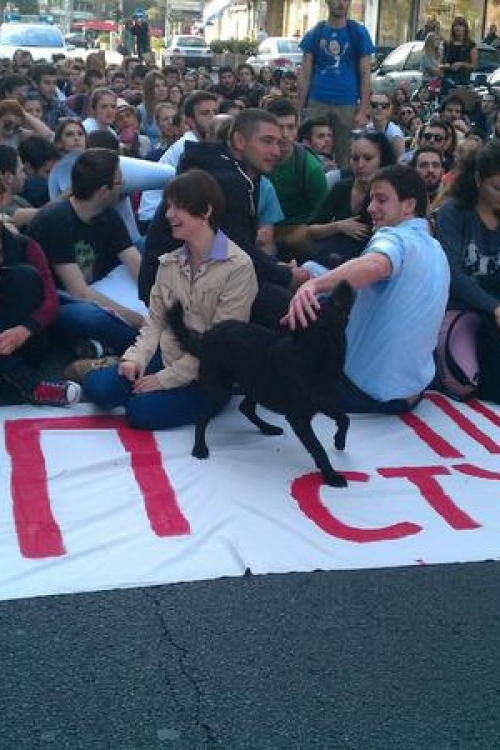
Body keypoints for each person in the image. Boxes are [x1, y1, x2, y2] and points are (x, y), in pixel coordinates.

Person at [83, 170, 258, 430]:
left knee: (139, 412)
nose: (168, 214)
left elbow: (219, 345)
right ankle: (120, 371)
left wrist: (164, 380)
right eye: (168, 206)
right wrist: (135, 359)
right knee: (97, 387)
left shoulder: (239, 267)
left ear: (206, 211)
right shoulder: (170, 263)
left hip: (209, 373)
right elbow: (155, 322)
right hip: (166, 356)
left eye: (178, 207)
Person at [286, 164, 450, 413]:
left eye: (381, 200)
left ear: (408, 206)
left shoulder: (395, 237)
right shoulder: (436, 249)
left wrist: (312, 284)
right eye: (371, 199)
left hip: (366, 391)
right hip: (413, 391)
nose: (371, 207)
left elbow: (377, 264)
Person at [140, 108, 309, 328]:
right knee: (298, 313)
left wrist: (278, 267)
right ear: (239, 141)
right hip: (176, 292)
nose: (276, 151)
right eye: (267, 141)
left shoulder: (234, 172)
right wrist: (286, 276)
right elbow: (234, 251)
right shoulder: (224, 180)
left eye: (278, 143)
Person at [27, 148, 143, 359]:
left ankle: (101, 345)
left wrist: (162, 300)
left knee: (144, 245)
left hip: (99, 287)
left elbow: (135, 261)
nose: (124, 186)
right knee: (92, 317)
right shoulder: (56, 220)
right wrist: (137, 320)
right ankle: (139, 344)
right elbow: (78, 292)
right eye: (120, 182)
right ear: (103, 192)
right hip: (60, 298)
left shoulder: (107, 214)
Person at [0, 185, 80, 408]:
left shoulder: (25, 246)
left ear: (3, 198)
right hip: (12, 363)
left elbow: (51, 302)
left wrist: (24, 329)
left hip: (24, 341)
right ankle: (31, 387)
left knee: (23, 276)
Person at [298, 0, 375, 168]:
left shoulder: (358, 32)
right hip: (317, 101)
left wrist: (363, 110)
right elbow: (304, 74)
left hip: (347, 104)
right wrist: (299, 109)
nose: (341, 3)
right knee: (310, 155)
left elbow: (365, 74)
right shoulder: (315, 33)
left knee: (346, 157)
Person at [306, 132, 396, 266]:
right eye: (355, 158)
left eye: (368, 158)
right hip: (329, 261)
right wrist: (338, 226)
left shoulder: (391, 194)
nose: (360, 164)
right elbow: (310, 231)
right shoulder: (341, 188)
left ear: (382, 160)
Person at [263, 97, 328, 260]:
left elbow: (323, 217)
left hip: (297, 237)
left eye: (291, 127)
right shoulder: (254, 159)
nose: (285, 135)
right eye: (279, 127)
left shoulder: (310, 168)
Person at [440, 16, 477, 95]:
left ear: (465, 28)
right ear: (453, 28)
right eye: (455, 25)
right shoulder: (446, 44)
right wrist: (447, 66)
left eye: (460, 25)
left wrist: (461, 64)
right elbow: (440, 65)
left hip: (463, 82)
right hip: (447, 82)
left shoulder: (471, 45)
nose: (458, 28)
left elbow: (474, 66)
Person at [365, 92, 405, 158]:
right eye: (374, 105)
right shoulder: (367, 128)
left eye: (384, 106)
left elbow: (400, 162)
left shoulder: (394, 134)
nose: (379, 108)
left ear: (390, 109)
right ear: (368, 107)